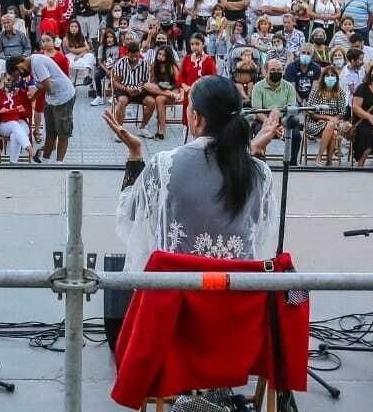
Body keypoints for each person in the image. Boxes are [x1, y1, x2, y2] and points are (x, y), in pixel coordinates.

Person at [103, 75, 282, 269]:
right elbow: (261, 229)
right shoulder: (259, 172)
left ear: (196, 119)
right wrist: (252, 152)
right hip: (237, 293)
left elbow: (129, 213)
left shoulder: (165, 166)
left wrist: (135, 154)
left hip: (178, 292)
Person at [29, 49, 77, 163]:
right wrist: (32, 98)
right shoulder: (32, 64)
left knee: (63, 132)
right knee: (50, 132)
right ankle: (45, 160)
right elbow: (43, 86)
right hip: (51, 99)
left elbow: (47, 85)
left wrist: (34, 96)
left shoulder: (37, 62)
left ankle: (59, 163)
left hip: (64, 97)